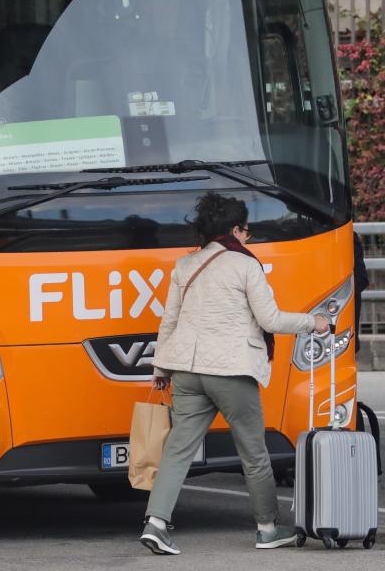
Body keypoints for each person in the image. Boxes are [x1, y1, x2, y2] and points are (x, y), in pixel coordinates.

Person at [139, 192, 330, 556]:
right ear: (235, 229)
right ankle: (268, 528)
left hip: (188, 371)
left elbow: (170, 321)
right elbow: (270, 320)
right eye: (246, 231)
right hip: (230, 370)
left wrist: (161, 368)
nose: (248, 238)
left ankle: (156, 524)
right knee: (253, 452)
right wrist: (313, 323)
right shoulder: (245, 265)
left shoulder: (185, 264)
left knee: (178, 450)